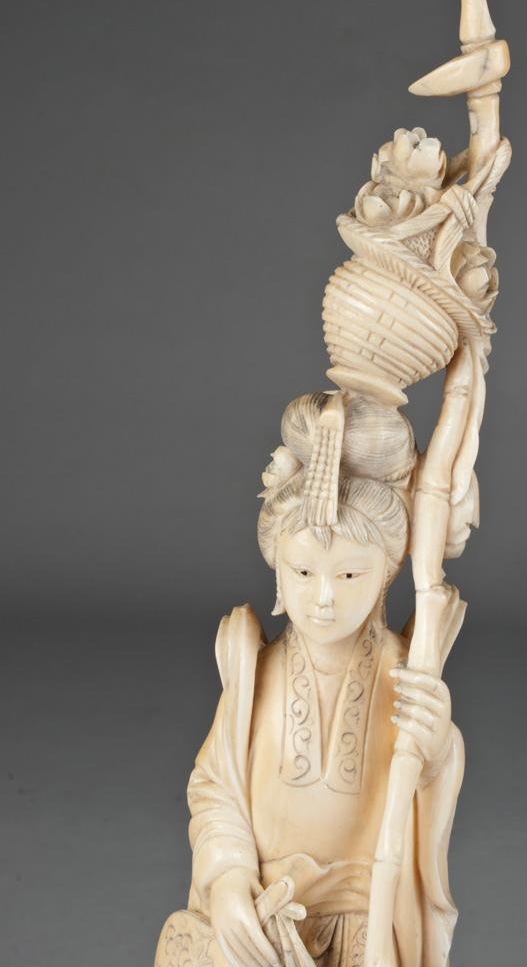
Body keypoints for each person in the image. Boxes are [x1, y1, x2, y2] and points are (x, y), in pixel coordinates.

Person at [156, 392, 465, 967]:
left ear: (385, 575)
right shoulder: (256, 672)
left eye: (348, 575)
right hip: (268, 919)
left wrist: (438, 750)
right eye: (302, 571)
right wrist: (228, 880)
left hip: (368, 925)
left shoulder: (405, 672)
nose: (323, 598)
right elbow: (216, 789)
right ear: (277, 570)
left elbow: (429, 785)